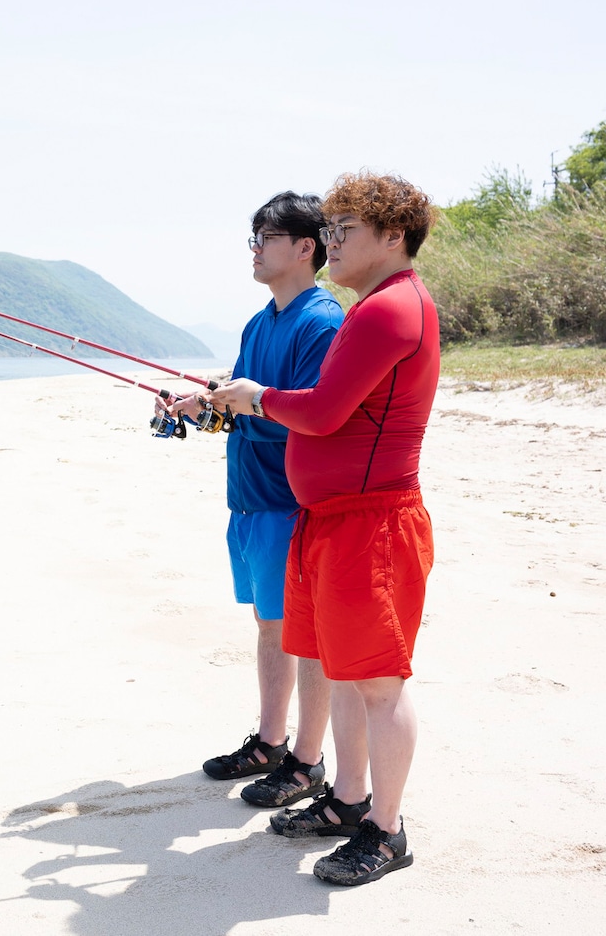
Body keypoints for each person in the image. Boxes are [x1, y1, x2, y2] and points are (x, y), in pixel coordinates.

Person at [205, 171, 439, 885]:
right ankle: (346, 800)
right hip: (331, 520)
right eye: (328, 230)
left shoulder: (385, 309)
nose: (331, 242)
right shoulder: (375, 304)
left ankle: (385, 829)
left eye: (344, 231)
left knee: (377, 681)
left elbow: (324, 410)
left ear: (392, 236)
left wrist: (257, 397)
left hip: (370, 523)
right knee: (343, 672)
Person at [159, 192, 341, 810]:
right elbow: (240, 410)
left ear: (303, 247)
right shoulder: (259, 322)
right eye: (253, 239)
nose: (255, 251)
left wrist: (244, 403)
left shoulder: (322, 322)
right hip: (250, 499)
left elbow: (319, 418)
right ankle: (269, 743)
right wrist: (201, 406)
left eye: (264, 238)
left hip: (292, 504)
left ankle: (306, 765)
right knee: (271, 627)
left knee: (306, 636)